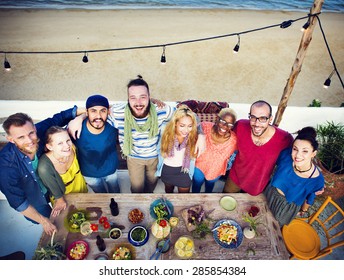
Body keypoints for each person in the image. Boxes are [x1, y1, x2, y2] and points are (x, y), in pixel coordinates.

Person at [68, 75, 205, 193]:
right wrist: (80, 118)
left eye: (143, 97)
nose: (138, 102)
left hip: (154, 157)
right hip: (133, 158)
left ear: (149, 98)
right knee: (136, 188)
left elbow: (188, 114)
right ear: (127, 99)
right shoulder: (118, 112)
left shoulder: (161, 110)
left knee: (151, 185)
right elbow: (98, 114)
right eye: (133, 98)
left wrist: (201, 134)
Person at [0, 106, 82, 235]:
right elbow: (18, 202)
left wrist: (82, 116)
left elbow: (61, 117)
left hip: (52, 189)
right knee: (56, 225)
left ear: (35, 128)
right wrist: (44, 221)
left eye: (31, 133)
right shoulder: (5, 167)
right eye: (21, 137)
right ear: (11, 139)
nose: (29, 140)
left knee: (71, 217)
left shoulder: (39, 131)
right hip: (35, 201)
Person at [223, 100, 293, 195]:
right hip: (234, 179)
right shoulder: (240, 126)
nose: (257, 123)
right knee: (225, 200)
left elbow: (292, 162)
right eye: (253, 117)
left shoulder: (285, 139)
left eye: (263, 118)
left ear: (270, 119)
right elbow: (223, 136)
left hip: (257, 185)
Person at [264, 127, 325, 227]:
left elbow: (310, 198)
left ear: (313, 153)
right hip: (269, 193)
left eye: (305, 151)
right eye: (295, 149)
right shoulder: (286, 155)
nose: (298, 155)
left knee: (272, 228)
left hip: (284, 209)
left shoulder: (317, 180)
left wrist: (303, 210)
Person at [72, 94, 120, 193]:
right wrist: (79, 117)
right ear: (87, 112)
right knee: (101, 195)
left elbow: (133, 106)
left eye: (103, 111)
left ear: (108, 112)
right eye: (93, 111)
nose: (98, 116)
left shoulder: (113, 125)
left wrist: (150, 99)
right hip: (89, 174)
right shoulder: (76, 129)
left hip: (111, 171)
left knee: (115, 193)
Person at [38, 126, 88, 218]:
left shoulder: (73, 148)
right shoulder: (44, 167)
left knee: (85, 214)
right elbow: (56, 193)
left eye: (68, 140)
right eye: (60, 143)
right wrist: (60, 200)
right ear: (50, 147)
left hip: (81, 189)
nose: (67, 145)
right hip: (63, 198)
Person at [192, 108, 238, 193]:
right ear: (217, 119)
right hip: (199, 166)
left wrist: (228, 166)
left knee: (209, 187)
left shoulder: (234, 140)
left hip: (216, 171)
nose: (225, 126)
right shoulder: (205, 127)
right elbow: (193, 116)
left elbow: (238, 154)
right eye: (223, 121)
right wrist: (200, 134)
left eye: (230, 124)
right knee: (196, 185)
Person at [155, 105, 198, 193]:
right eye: (182, 125)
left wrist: (201, 135)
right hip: (167, 170)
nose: (186, 130)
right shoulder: (165, 131)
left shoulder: (194, 135)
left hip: (184, 170)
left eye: (189, 126)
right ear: (175, 124)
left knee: (184, 197)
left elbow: (197, 120)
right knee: (169, 192)